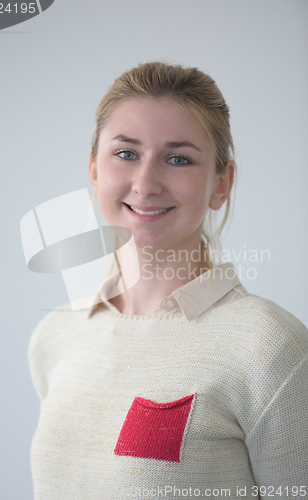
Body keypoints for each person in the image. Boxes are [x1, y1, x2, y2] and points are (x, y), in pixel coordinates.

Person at [28, 62, 308, 499]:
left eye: (178, 159)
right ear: (94, 169)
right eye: (126, 154)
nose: (145, 183)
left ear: (222, 184)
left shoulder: (270, 347)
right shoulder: (56, 335)